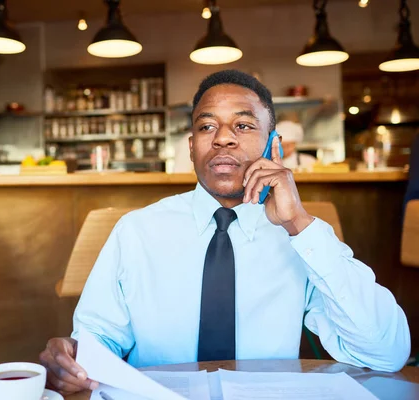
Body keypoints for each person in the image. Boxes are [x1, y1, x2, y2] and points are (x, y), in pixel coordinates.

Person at [39, 70, 410, 396]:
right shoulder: (136, 231)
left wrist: (299, 223)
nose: (223, 139)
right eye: (206, 126)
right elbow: (95, 342)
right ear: (191, 146)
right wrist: (72, 358)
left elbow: (385, 352)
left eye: (244, 126)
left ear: (273, 144)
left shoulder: (300, 240)